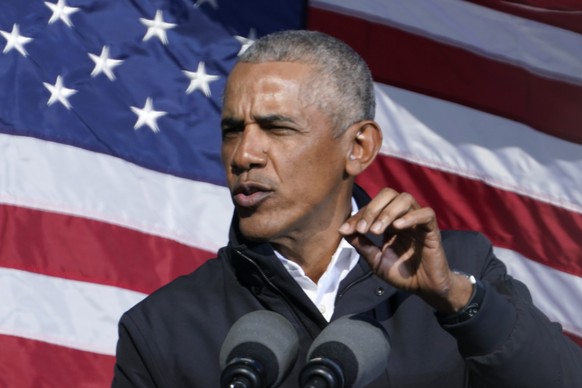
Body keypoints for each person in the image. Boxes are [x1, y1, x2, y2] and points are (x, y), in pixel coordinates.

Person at [112, 30, 582, 387]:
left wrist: (461, 303)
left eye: (276, 128)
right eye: (233, 129)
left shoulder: (460, 272)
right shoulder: (161, 327)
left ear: (359, 147)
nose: (243, 155)